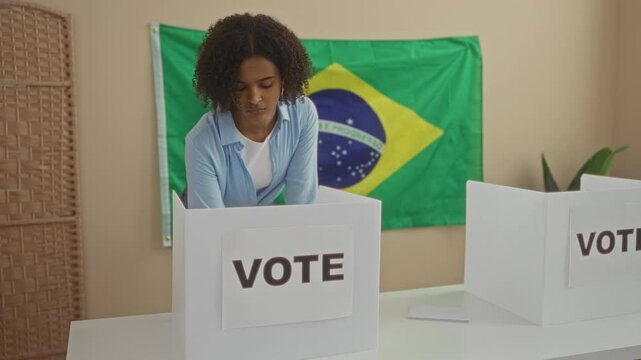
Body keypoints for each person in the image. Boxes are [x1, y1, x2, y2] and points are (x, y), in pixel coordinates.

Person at [186, 13, 318, 209]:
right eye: (240, 87)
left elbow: (302, 203)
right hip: (206, 226)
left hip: (258, 229)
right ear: (224, 85)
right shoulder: (202, 141)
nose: (254, 98)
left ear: (284, 78)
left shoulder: (303, 115)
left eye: (266, 84)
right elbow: (210, 228)